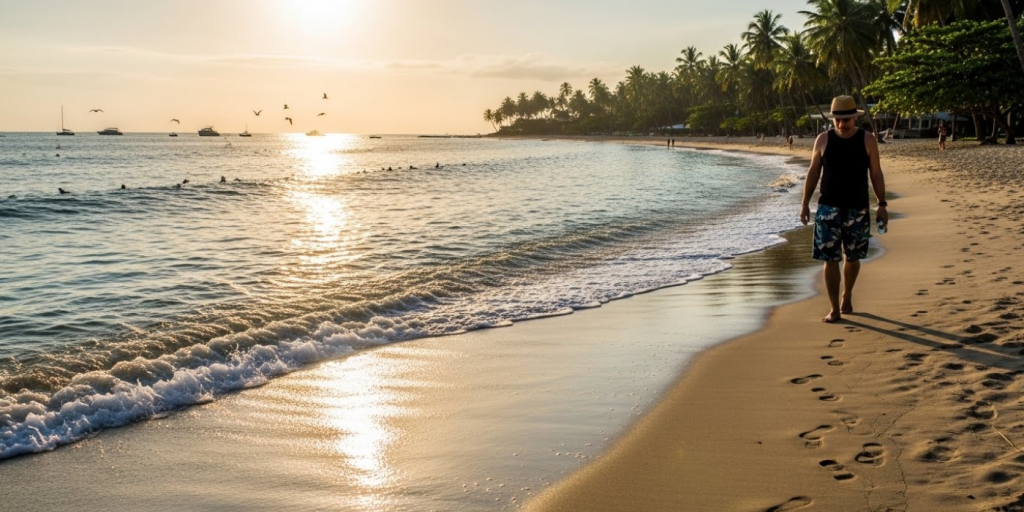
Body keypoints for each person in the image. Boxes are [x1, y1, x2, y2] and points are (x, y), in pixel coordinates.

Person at [800, 95, 888, 323]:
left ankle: (847, 295)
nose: (841, 125)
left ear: (854, 118)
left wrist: (882, 204)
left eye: (846, 120)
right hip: (827, 208)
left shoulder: (867, 140)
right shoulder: (822, 140)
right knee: (829, 259)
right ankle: (834, 309)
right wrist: (804, 204)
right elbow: (812, 173)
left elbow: (876, 174)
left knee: (853, 257)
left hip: (857, 208)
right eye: (837, 120)